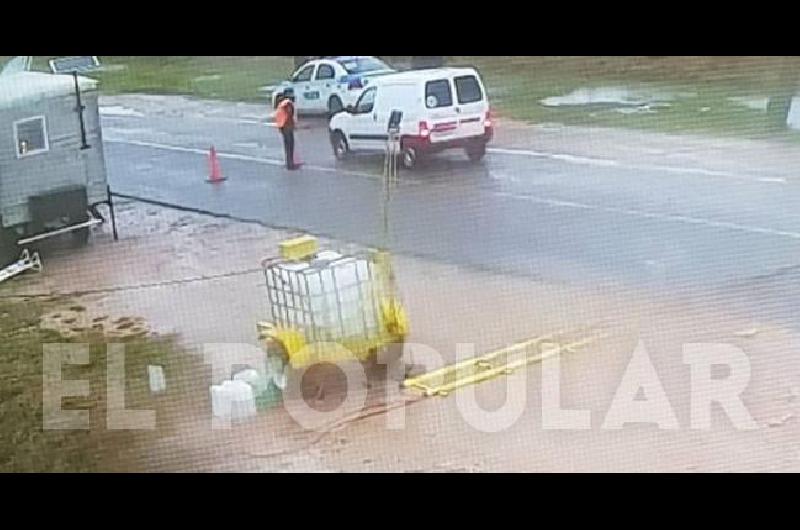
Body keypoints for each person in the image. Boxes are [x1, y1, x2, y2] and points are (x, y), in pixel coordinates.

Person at [275, 93, 300, 170]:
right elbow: (289, 114)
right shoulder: (287, 104)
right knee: (290, 146)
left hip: (282, 127)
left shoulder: (279, 106)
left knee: (287, 146)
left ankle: (288, 162)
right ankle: (290, 163)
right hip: (287, 126)